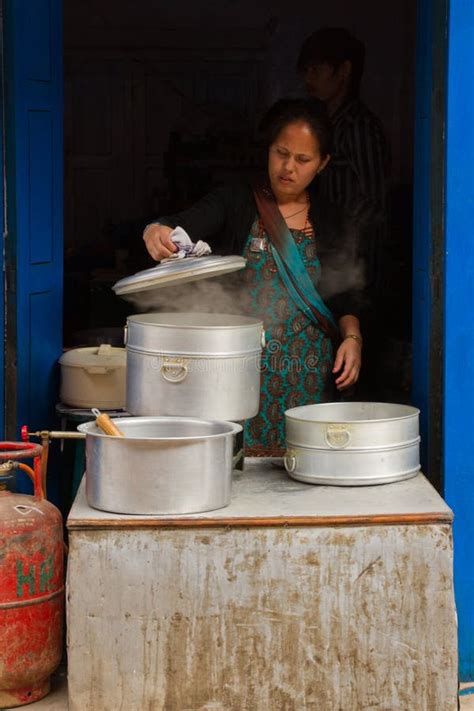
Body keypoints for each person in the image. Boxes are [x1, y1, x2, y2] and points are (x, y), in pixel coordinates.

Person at [143, 99, 365, 453]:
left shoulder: (332, 219)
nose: (288, 167)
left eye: (302, 160)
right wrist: (157, 229)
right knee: (239, 468)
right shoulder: (236, 201)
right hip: (240, 374)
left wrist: (352, 339)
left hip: (309, 373)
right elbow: (182, 222)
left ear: (322, 164)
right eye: (281, 153)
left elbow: (345, 295)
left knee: (307, 462)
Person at [297, 28, 390, 398]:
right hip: (331, 263)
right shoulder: (326, 124)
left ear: (344, 71)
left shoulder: (359, 127)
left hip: (357, 264)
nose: (309, 79)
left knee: (356, 366)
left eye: (317, 69)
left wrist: (342, 244)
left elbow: (373, 200)